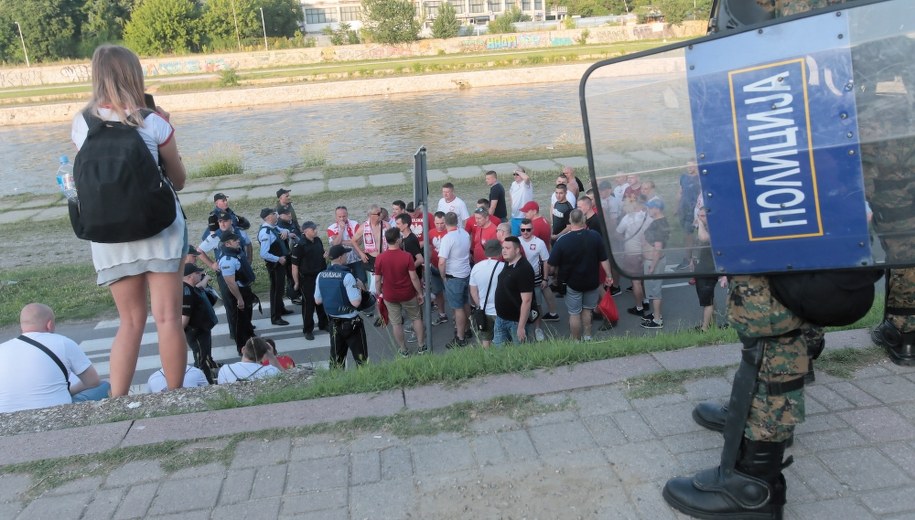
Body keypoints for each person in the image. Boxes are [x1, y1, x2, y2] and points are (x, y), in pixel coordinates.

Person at [70, 44, 187, 396]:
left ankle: (118, 399)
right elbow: (178, 179)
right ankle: (174, 396)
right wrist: (167, 125)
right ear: (134, 75)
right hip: (159, 229)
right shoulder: (153, 122)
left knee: (130, 321)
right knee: (167, 318)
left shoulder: (82, 123)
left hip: (109, 235)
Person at [0, 303, 109, 413]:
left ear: (22, 325)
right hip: (57, 411)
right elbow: (93, 381)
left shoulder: (2, 348)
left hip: (6, 415)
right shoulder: (63, 342)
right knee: (104, 386)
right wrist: (69, 391)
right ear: (50, 324)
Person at [548, 210, 613, 341]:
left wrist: (551, 275)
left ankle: (576, 340)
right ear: (584, 220)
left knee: (574, 313)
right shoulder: (595, 236)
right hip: (592, 281)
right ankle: (587, 336)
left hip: (572, 283)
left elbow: (552, 265)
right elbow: (604, 259)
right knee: (587, 310)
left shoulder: (562, 241)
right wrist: (609, 275)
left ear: (570, 221)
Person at [197, 211, 252, 342]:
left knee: (247, 301)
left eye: (225, 221)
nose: (222, 224)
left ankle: (247, 328)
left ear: (231, 221)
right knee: (232, 305)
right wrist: (212, 264)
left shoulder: (239, 232)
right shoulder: (215, 236)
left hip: (241, 272)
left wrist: (249, 259)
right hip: (225, 273)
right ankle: (236, 333)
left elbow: (248, 244)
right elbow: (199, 251)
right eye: (220, 221)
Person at [315, 244, 369, 368]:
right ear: (340, 257)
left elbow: (318, 300)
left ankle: (336, 379)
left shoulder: (320, 275)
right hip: (352, 323)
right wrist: (360, 287)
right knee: (361, 360)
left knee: (336, 360)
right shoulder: (347, 276)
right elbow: (356, 302)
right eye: (345, 254)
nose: (346, 256)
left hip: (333, 322)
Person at [375, 228, 426, 356]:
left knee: (396, 323)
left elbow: (378, 279)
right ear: (398, 240)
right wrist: (419, 293)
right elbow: (414, 277)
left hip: (390, 295)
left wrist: (378, 291)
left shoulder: (380, 258)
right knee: (416, 318)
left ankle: (403, 350)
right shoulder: (406, 256)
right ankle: (421, 346)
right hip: (408, 293)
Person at [438, 212, 473, 348]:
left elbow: (442, 261)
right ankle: (467, 329)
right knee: (465, 303)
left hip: (454, 276)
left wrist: (443, 276)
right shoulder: (464, 233)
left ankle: (460, 337)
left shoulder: (447, 238)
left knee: (458, 308)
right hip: (465, 273)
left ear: (445, 222)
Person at [218, 232, 256, 355]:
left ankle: (250, 339)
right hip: (237, 293)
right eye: (234, 240)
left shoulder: (236, 252)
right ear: (227, 244)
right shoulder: (227, 260)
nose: (238, 241)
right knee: (239, 322)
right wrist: (239, 299)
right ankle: (242, 347)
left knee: (246, 318)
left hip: (244, 289)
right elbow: (230, 283)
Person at [519, 218, 557, 340]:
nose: (525, 232)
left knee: (537, 305)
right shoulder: (516, 241)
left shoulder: (539, 243)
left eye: (528, 230)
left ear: (533, 230)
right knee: (520, 304)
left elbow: (545, 261)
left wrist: (545, 279)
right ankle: (521, 328)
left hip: (535, 279)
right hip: (520, 279)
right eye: (523, 230)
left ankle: (538, 328)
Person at [494, 236, 536, 345]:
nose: (504, 251)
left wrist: (521, 327)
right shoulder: (508, 262)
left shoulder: (524, 269)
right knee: (498, 352)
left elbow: (527, 300)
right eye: (503, 248)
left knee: (520, 353)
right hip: (500, 318)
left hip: (515, 322)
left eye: (508, 248)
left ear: (517, 250)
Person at [291, 221, 329, 340]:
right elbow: (294, 266)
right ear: (306, 231)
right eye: (313, 230)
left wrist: (325, 255)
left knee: (321, 301)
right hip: (307, 279)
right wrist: (296, 282)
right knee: (309, 305)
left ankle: (323, 323)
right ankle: (308, 329)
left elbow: (322, 253)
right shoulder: (299, 246)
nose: (316, 231)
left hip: (320, 276)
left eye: (315, 229)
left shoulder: (317, 240)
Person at [181, 263, 219, 383]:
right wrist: (178, 335)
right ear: (189, 277)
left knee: (204, 355)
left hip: (203, 329)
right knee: (200, 360)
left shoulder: (191, 286)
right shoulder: (186, 293)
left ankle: (208, 376)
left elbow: (200, 286)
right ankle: (205, 383)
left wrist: (206, 279)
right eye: (197, 273)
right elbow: (185, 317)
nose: (200, 274)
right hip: (196, 332)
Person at [617, 196, 651, 319]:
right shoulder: (647, 216)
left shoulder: (627, 219)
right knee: (643, 279)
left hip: (632, 252)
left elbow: (618, 233)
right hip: (646, 252)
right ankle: (646, 300)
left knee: (635, 282)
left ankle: (639, 307)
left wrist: (624, 239)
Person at [258, 208, 293, 326]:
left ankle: (281, 309)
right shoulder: (266, 233)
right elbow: (263, 253)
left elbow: (284, 230)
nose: (276, 215)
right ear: (268, 217)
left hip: (280, 263)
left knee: (280, 288)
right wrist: (278, 259)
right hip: (275, 265)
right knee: (276, 290)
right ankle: (275, 317)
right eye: (273, 214)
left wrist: (286, 232)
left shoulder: (274, 227)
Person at [639, 199, 670, 329]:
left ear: (657, 209)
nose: (648, 210)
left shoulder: (659, 225)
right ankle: (656, 314)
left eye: (650, 208)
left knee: (655, 291)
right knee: (653, 290)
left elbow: (658, 248)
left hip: (654, 262)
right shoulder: (659, 221)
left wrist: (652, 265)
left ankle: (657, 320)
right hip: (652, 260)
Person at [469, 239, 505, 348]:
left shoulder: (476, 267)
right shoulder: (503, 267)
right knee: (502, 340)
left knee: (486, 340)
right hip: (501, 311)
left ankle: (487, 357)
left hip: (484, 310)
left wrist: (480, 304)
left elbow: (473, 291)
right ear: (500, 251)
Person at [327, 206, 368, 284]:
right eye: (339, 217)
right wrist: (342, 230)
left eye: (344, 216)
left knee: (362, 279)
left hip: (355, 257)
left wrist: (341, 241)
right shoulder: (331, 228)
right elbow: (335, 244)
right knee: (344, 282)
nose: (342, 219)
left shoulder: (354, 224)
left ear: (347, 215)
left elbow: (359, 242)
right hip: (341, 260)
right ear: (336, 216)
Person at [217, 337, 284, 384]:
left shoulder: (225, 369)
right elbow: (286, 379)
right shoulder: (271, 370)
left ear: (243, 349)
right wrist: (272, 357)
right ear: (263, 355)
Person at [675, 160, 702, 271]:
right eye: (688, 166)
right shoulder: (683, 177)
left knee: (699, 235)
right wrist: (677, 207)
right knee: (687, 234)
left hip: (697, 210)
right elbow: (680, 192)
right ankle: (688, 259)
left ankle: (698, 258)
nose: (689, 168)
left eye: (692, 166)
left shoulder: (700, 178)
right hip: (685, 210)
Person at [427, 211, 450, 326]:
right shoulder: (430, 232)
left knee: (451, 293)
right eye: (437, 223)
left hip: (448, 269)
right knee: (437, 292)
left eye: (442, 223)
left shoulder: (449, 233)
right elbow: (429, 248)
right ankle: (442, 315)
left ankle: (456, 317)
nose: (440, 226)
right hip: (435, 267)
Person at [361, 204, 389, 275]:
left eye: (381, 213)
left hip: (385, 257)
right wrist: (361, 253)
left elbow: (393, 241)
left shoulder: (386, 225)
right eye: (378, 213)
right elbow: (353, 240)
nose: (381, 215)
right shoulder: (364, 226)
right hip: (371, 258)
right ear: (371, 215)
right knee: (374, 280)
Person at [510, 168, 534, 235]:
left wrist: (516, 171)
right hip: (514, 217)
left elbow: (526, 178)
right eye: (514, 174)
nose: (515, 176)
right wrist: (512, 205)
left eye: (517, 174)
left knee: (525, 237)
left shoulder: (526, 184)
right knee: (515, 238)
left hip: (524, 217)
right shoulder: (513, 184)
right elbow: (511, 194)